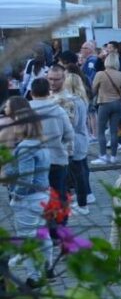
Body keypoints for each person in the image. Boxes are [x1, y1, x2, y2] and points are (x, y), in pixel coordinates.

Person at [1, 98, 52, 284]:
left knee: (27, 240)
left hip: (29, 199)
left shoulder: (26, 147)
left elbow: (26, 178)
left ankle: (34, 276)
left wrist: (16, 196)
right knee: (42, 234)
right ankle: (47, 267)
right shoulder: (40, 144)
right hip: (42, 195)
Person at [29, 77, 74, 221]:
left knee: (36, 196)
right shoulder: (58, 110)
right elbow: (69, 134)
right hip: (56, 158)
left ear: (31, 92)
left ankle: (39, 229)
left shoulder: (25, 111)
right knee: (59, 194)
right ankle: (59, 230)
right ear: (48, 92)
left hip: (33, 161)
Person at [62, 71, 92, 215]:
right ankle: (84, 199)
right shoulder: (82, 99)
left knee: (77, 173)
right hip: (82, 137)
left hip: (75, 140)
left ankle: (83, 203)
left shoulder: (72, 102)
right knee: (80, 170)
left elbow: (72, 123)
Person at [91, 52, 121, 164]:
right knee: (114, 131)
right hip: (117, 103)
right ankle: (113, 156)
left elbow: (93, 90)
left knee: (101, 131)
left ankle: (103, 156)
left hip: (104, 103)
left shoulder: (100, 74)